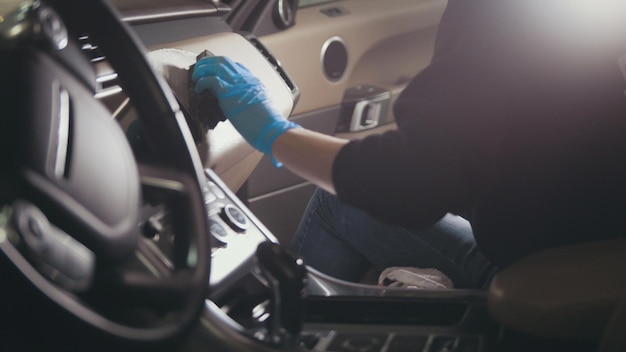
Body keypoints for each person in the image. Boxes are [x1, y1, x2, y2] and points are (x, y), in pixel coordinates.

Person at [192, 0, 626, 289]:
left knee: (335, 205)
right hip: (593, 245)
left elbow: (413, 181)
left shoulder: (503, 14)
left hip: (546, 271)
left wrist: (273, 133)